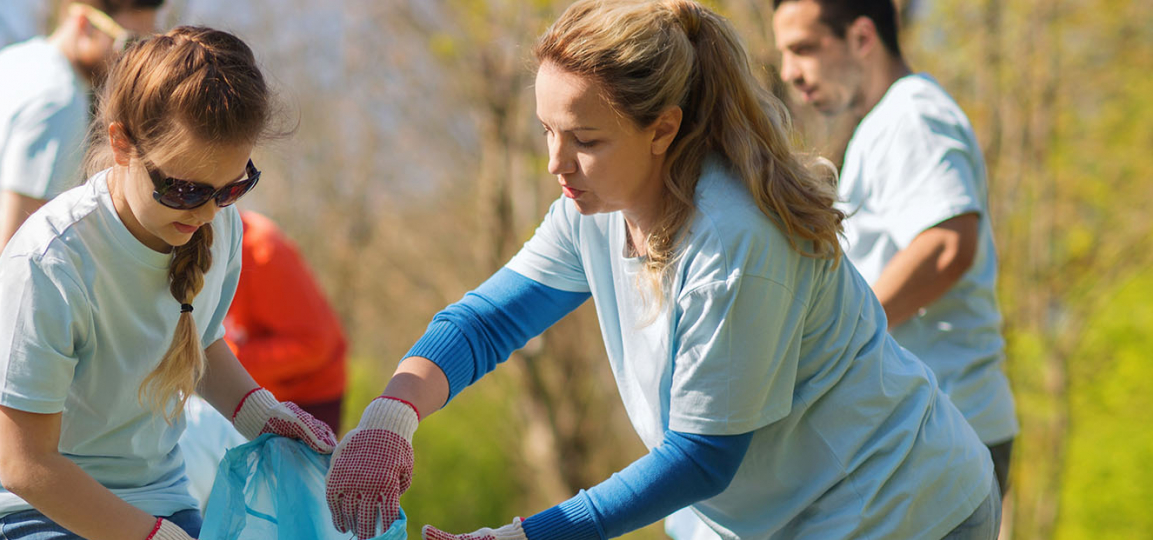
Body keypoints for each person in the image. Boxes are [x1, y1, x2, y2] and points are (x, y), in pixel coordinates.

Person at [322, 1, 999, 539]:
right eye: (547, 131)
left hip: (902, 507)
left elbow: (702, 456)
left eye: (586, 140)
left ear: (662, 129)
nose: (557, 164)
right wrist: (393, 411)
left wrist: (528, 535)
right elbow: (487, 322)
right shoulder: (592, 207)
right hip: (788, 513)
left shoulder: (735, 242)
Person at [0, 26, 338, 540]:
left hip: (155, 489)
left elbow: (197, 341)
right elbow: (25, 467)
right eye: (181, 188)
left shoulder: (220, 225)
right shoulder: (50, 262)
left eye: (232, 187)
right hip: (34, 504)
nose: (205, 212)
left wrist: (265, 417)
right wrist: (150, 536)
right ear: (122, 144)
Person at [0, 4, 164, 535]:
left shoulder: (13, 63)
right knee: (6, 485)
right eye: (129, 43)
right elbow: (19, 246)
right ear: (83, 21)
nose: (133, 64)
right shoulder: (57, 99)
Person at [772, 0, 1016, 492]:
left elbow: (946, 244)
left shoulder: (913, 115)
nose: (789, 72)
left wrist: (834, 339)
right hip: (930, 434)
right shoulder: (885, 122)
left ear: (862, 38)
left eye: (803, 49)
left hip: (944, 435)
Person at [224, 210, 349, 431]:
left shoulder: (263, 250)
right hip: (244, 394)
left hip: (306, 401)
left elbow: (313, 344)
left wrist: (224, 361)